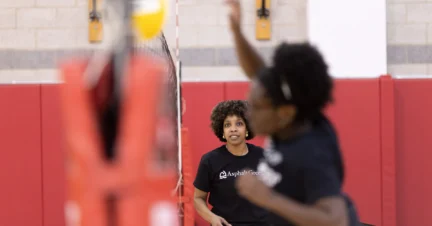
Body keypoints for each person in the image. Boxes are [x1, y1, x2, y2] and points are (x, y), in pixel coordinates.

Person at [224, 1, 361, 226]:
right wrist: (237, 32)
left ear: (285, 112)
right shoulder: (290, 114)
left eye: (256, 107)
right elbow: (258, 73)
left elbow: (336, 220)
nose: (249, 113)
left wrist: (268, 198)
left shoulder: (312, 154)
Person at [193, 100, 270, 226]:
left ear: (247, 128)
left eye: (239, 124)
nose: (233, 129)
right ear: (222, 131)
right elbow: (198, 198)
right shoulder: (210, 160)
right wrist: (212, 218)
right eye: (227, 125)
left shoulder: (264, 157)